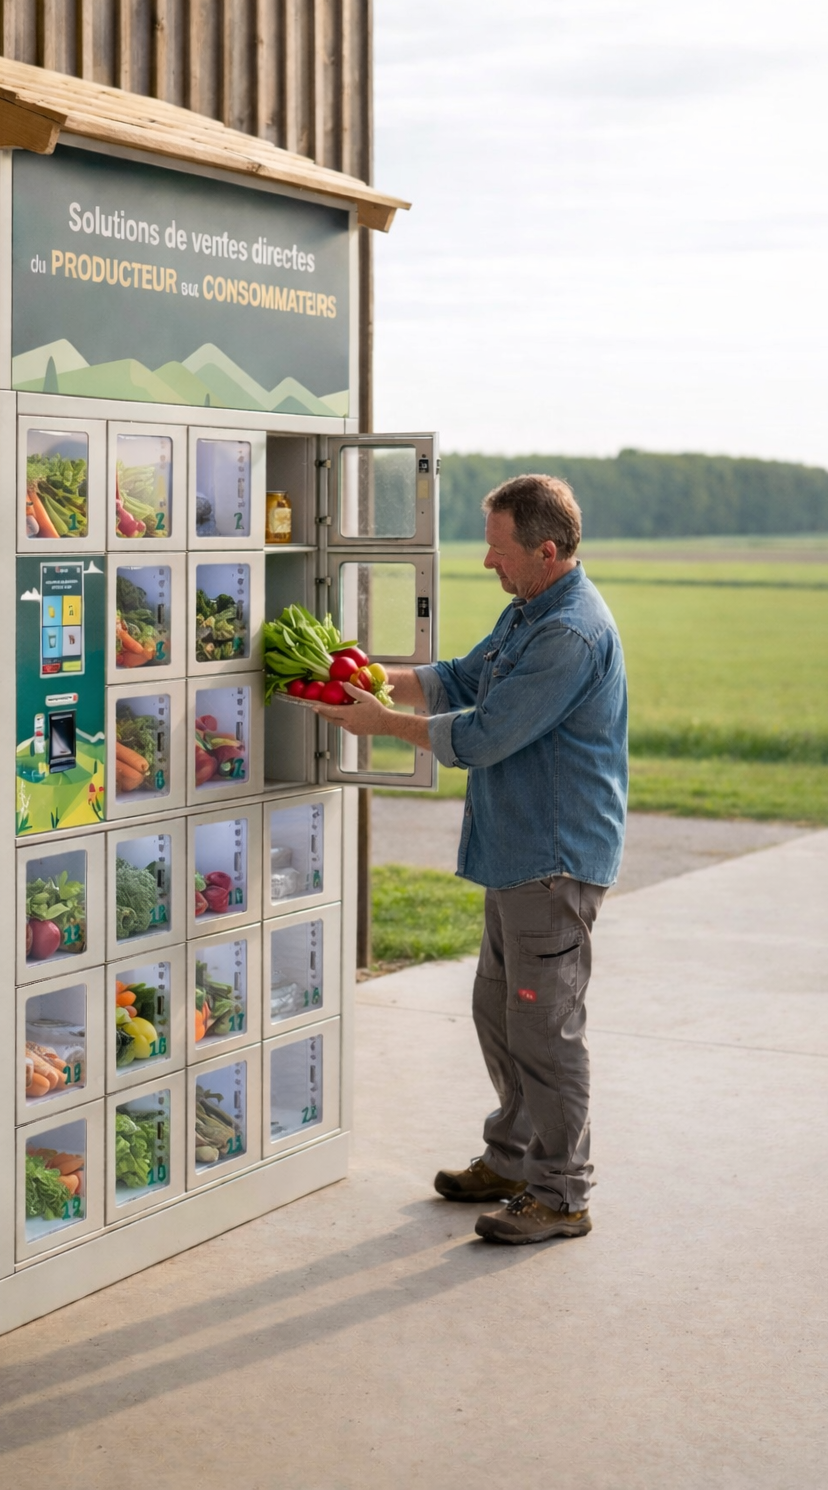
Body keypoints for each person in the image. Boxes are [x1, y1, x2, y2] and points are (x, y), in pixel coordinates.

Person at [309, 474, 628, 1244]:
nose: (489, 562)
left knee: (545, 1030)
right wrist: (374, 677)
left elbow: (484, 734)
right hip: (515, 853)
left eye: (498, 549)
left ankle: (562, 1194)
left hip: (552, 860)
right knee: (500, 1012)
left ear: (545, 551)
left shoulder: (569, 634)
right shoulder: (529, 609)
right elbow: (459, 678)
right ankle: (514, 1157)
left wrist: (381, 723)